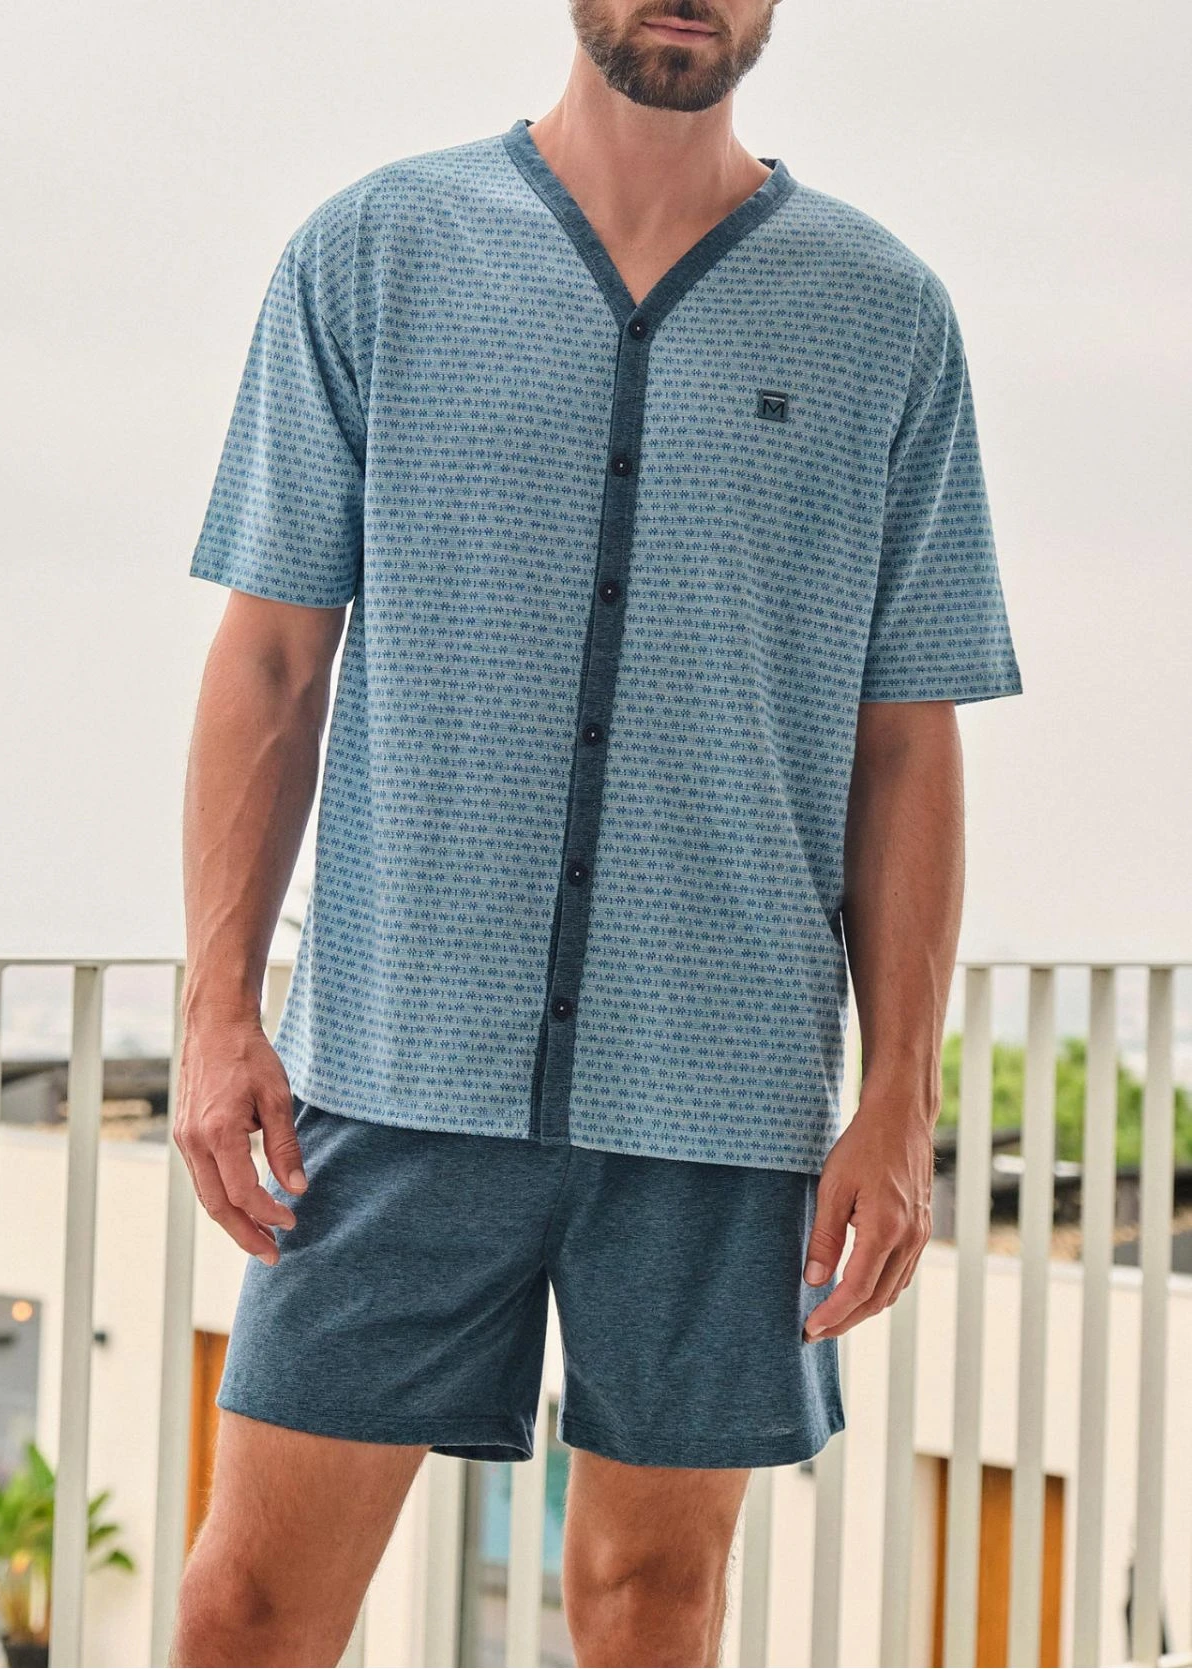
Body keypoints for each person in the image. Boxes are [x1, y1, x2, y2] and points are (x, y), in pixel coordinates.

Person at [171, 0, 1023, 1661]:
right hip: (397, 1070)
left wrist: (900, 1095)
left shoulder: (885, 315)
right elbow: (271, 657)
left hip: (725, 1099)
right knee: (247, 1604)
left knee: (652, 1602)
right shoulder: (375, 254)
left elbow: (905, 740)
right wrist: (216, 1010)